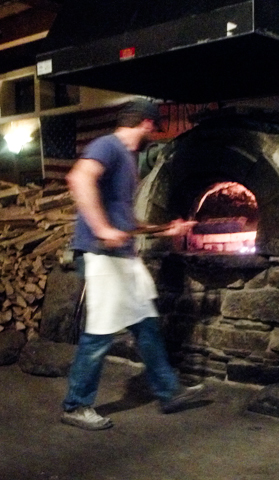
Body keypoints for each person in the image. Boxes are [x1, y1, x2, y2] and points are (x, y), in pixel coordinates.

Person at [61, 97, 205, 430]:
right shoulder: (108, 146)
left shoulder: (128, 158)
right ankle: (75, 405)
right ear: (146, 123)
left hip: (122, 258)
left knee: (146, 323)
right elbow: (79, 179)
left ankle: (168, 392)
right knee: (99, 334)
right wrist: (100, 228)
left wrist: (166, 228)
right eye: (155, 126)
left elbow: (125, 222)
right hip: (101, 256)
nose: (155, 132)